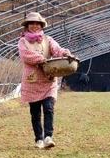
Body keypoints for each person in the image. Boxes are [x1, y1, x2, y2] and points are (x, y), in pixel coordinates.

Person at [17, 12, 73, 149]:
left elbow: (56, 50)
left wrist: (65, 53)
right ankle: (38, 139)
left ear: (41, 26)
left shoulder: (48, 40)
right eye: (32, 23)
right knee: (35, 112)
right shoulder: (23, 41)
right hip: (32, 81)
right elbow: (26, 56)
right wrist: (41, 59)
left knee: (49, 108)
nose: (35, 26)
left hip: (48, 79)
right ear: (27, 26)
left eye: (37, 23)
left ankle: (48, 137)